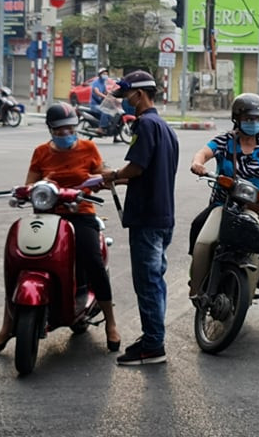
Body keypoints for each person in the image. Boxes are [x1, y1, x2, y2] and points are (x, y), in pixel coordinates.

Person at [0, 103, 120, 356]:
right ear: (50, 130)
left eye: (70, 129)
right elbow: (29, 185)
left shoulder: (88, 148)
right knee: (17, 263)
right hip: (47, 215)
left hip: (80, 214)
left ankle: (111, 322)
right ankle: (7, 325)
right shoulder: (40, 152)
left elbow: (100, 176)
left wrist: (96, 183)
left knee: (92, 261)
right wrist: (39, 184)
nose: (65, 134)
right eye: (59, 130)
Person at [188, 93, 259, 326]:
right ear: (237, 118)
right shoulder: (225, 141)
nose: (254, 122)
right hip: (223, 206)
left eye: (258, 118)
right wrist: (198, 163)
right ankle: (197, 284)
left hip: (257, 210)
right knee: (199, 231)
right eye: (249, 117)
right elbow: (204, 152)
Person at [102, 71, 178, 366]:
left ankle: (153, 346)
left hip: (147, 217)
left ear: (140, 94)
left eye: (127, 97)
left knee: (147, 282)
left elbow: (137, 167)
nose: (125, 103)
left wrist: (113, 176)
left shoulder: (145, 124)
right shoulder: (164, 127)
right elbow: (150, 170)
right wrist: (118, 179)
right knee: (155, 281)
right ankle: (152, 337)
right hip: (163, 215)